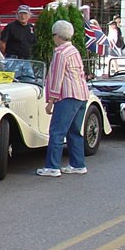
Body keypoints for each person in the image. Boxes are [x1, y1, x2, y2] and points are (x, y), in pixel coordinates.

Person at [37, 19, 90, 177]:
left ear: (58, 35)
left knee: (57, 131)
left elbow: (57, 78)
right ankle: (78, 164)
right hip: (81, 94)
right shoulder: (74, 50)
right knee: (74, 131)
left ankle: (52, 166)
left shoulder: (60, 53)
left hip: (67, 95)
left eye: (54, 35)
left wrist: (51, 101)